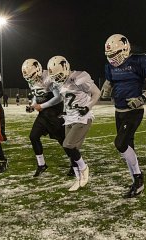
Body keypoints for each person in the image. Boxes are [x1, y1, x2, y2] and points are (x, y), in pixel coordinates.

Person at [101, 34, 146, 198]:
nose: (112, 58)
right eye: (110, 56)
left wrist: (142, 98)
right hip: (118, 111)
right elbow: (110, 80)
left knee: (120, 144)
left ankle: (139, 178)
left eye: (114, 54)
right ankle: (137, 182)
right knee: (128, 148)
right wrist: (106, 88)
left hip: (133, 111)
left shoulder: (139, 61)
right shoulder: (110, 66)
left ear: (125, 49)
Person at [47, 55, 101, 191]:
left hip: (82, 118)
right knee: (70, 150)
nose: (58, 79)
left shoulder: (79, 77)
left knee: (68, 145)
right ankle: (78, 178)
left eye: (59, 75)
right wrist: (64, 112)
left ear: (66, 68)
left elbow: (96, 93)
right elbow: (67, 99)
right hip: (70, 118)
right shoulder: (61, 82)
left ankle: (84, 168)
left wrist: (87, 107)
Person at [21, 58, 75, 177]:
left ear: (39, 69)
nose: (31, 79)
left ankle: (74, 164)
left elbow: (58, 98)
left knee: (63, 141)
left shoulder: (49, 77)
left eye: (32, 75)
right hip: (43, 114)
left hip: (55, 113)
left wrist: (42, 105)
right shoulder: (31, 79)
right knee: (33, 136)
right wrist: (32, 105)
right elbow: (36, 95)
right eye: (28, 77)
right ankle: (41, 165)